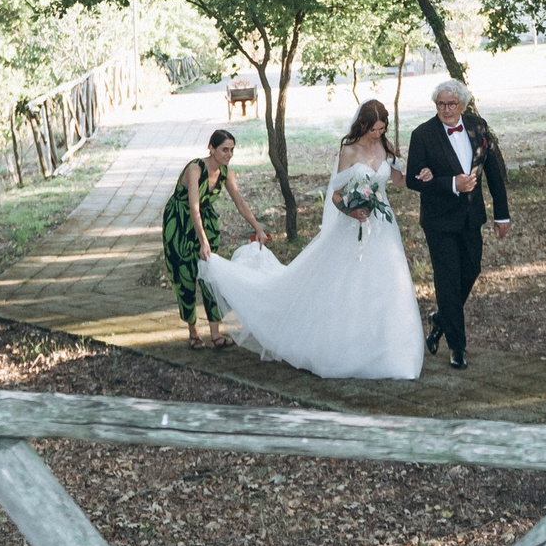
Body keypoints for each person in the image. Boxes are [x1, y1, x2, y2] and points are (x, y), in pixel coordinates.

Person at [193, 100, 423, 380]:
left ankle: (391, 353)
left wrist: (421, 175)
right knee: (346, 287)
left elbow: (399, 181)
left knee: (388, 284)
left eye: (382, 129)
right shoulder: (349, 151)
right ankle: (346, 349)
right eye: (373, 129)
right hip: (352, 226)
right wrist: (352, 211)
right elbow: (336, 195)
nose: (378, 134)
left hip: (383, 229)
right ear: (362, 126)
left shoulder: (386, 148)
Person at [405, 78, 509, 370]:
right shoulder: (422, 135)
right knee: (447, 280)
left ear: (462, 105)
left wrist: (502, 214)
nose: (446, 109)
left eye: (451, 104)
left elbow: (493, 173)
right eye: (441, 104)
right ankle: (457, 347)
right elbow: (412, 179)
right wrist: (452, 183)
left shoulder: (478, 127)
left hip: (471, 217)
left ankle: (441, 318)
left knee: (471, 269)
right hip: (438, 221)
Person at [160, 129, 269, 349]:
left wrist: (258, 228)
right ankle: (193, 333)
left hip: (206, 221)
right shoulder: (195, 169)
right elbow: (193, 206)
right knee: (185, 276)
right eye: (224, 149)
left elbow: (240, 203)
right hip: (179, 222)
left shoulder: (226, 173)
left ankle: (215, 334)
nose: (229, 154)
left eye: (232, 150)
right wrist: (203, 241)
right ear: (211, 148)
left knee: (211, 275)